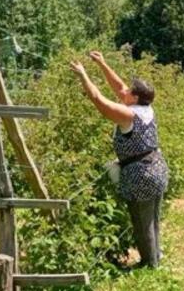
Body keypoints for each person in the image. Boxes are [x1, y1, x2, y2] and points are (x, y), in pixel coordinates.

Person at [70, 51, 169, 269]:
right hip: (156, 168)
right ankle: (156, 256)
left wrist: (83, 75)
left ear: (134, 98)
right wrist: (102, 63)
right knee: (152, 219)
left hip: (141, 175)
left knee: (142, 223)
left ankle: (150, 266)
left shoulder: (129, 115)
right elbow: (120, 87)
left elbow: (99, 100)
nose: (124, 91)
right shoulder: (145, 108)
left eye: (129, 91)